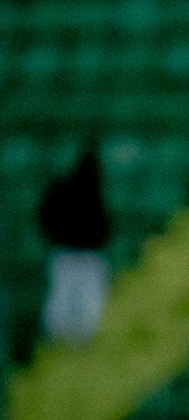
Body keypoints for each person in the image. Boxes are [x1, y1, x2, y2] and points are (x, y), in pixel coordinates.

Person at [37, 145, 112, 343]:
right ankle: (64, 340)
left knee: (80, 304)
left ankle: (75, 340)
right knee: (68, 302)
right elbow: (45, 217)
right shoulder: (67, 189)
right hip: (72, 253)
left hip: (80, 254)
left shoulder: (93, 190)